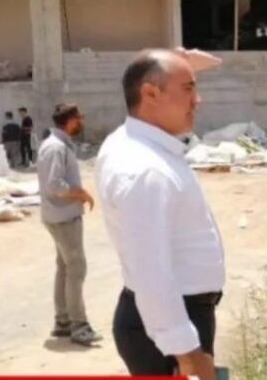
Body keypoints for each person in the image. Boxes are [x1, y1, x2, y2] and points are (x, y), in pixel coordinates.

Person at [96, 49, 224, 380]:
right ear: (150, 94)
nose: (197, 100)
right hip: (169, 331)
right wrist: (186, 352)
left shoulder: (134, 142)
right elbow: (151, 271)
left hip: (170, 320)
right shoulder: (145, 170)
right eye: (188, 89)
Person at [37, 103, 101, 346]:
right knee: (76, 268)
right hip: (63, 217)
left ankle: (63, 321)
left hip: (58, 215)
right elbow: (54, 184)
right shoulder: (55, 147)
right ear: (72, 120)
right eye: (80, 118)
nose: (82, 122)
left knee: (64, 267)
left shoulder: (56, 144)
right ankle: (79, 326)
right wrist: (80, 193)